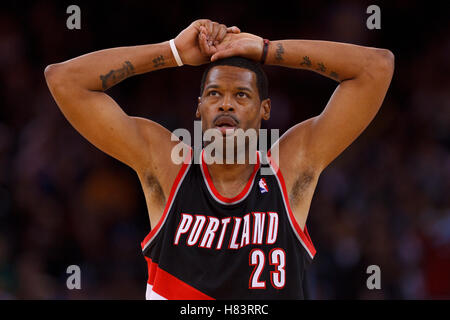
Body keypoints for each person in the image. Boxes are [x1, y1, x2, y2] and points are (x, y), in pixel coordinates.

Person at [44, 19, 394, 299]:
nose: (226, 104)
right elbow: (64, 79)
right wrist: (172, 52)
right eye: (214, 94)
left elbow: (377, 67)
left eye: (241, 94)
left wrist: (266, 50)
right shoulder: (167, 167)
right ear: (199, 108)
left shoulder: (290, 167)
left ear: (264, 109)